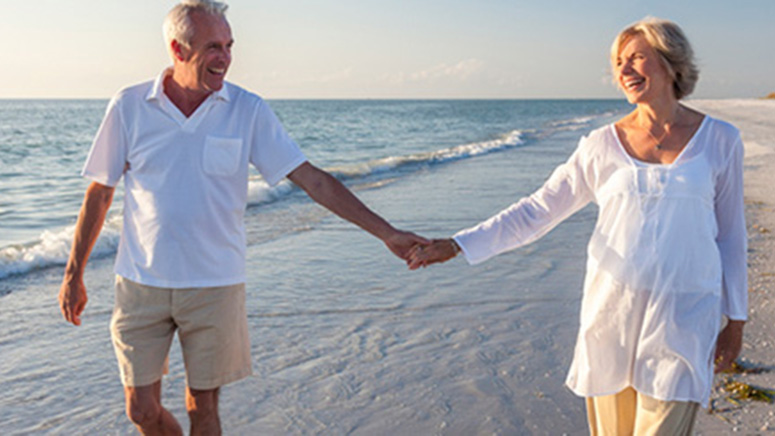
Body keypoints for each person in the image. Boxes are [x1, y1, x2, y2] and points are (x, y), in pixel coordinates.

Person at [57, 1, 426, 434]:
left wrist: (387, 233)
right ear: (178, 49)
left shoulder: (247, 110)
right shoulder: (130, 105)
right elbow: (100, 193)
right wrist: (72, 273)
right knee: (140, 410)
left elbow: (313, 180)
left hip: (215, 285)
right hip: (140, 282)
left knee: (204, 409)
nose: (226, 57)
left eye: (230, 45)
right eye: (214, 46)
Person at [408, 17, 746, 435]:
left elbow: (731, 235)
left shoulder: (720, 139)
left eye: (637, 58)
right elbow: (537, 211)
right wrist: (458, 244)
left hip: (684, 320)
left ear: (671, 63)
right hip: (611, 319)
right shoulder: (600, 144)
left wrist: (736, 320)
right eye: (618, 62)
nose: (623, 70)